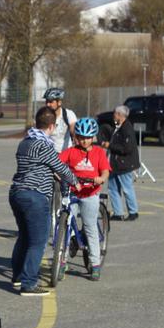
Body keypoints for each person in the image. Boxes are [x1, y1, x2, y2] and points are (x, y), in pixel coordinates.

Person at [9, 107, 79, 296]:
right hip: (35, 196)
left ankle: (17, 277)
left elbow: (38, 166)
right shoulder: (43, 145)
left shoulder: (25, 142)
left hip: (17, 193)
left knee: (24, 237)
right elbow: (61, 168)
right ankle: (29, 283)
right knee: (37, 242)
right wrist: (76, 182)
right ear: (51, 126)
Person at [59, 118, 111, 281]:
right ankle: (62, 260)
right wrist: (57, 175)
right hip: (73, 193)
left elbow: (105, 171)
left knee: (90, 227)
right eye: (81, 137)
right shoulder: (71, 151)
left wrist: (101, 178)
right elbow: (58, 163)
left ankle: (95, 264)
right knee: (65, 226)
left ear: (93, 137)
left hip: (90, 194)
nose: (84, 140)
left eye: (87, 137)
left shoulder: (98, 152)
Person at [100, 105, 139, 221]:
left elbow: (127, 148)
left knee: (127, 188)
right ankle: (118, 213)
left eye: (115, 114)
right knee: (112, 188)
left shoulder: (127, 129)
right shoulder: (117, 126)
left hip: (124, 165)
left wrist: (109, 146)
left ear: (121, 116)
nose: (113, 115)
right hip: (114, 164)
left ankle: (133, 212)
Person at [43, 87, 77, 153]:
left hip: (67, 153)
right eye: (47, 101)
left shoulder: (68, 114)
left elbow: (73, 128)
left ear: (59, 102)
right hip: (51, 155)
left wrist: (75, 137)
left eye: (51, 102)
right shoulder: (44, 116)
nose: (47, 104)